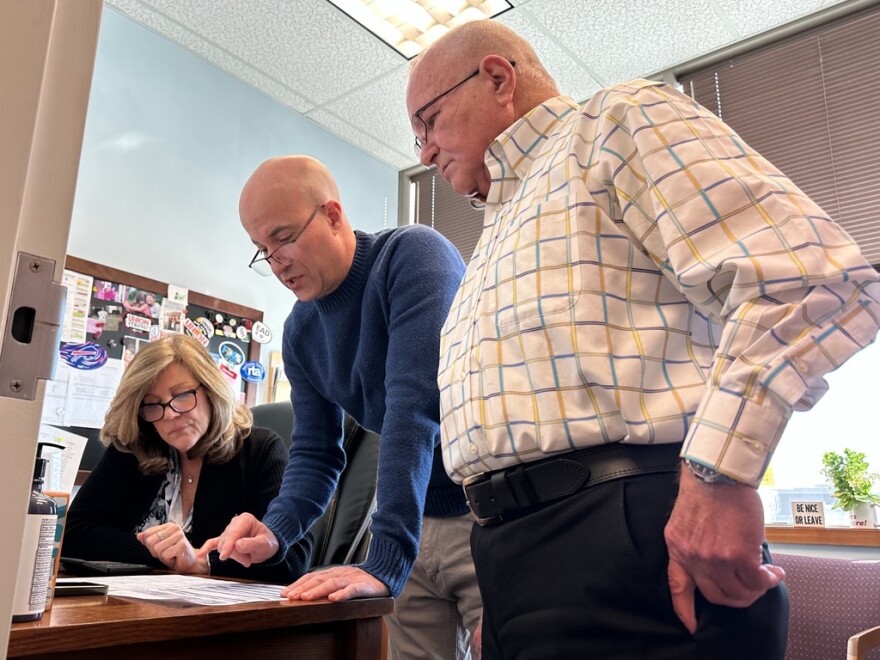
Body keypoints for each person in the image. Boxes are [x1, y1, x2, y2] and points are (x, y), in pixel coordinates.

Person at [406, 21, 880, 659]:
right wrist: (508, 582)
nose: (426, 150)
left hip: (629, 538)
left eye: (428, 121)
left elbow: (807, 280)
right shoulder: (498, 230)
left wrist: (718, 474)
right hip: (512, 559)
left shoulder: (616, 122)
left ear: (497, 79)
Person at [201, 156, 482, 659]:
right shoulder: (300, 333)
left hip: (489, 517)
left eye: (283, 237)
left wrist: (385, 558)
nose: (276, 260)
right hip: (415, 519)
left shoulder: (413, 256)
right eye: (262, 249)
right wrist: (274, 531)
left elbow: (413, 409)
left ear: (332, 215)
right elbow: (315, 453)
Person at [64, 334, 312, 583]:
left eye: (181, 395)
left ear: (210, 390)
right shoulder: (136, 448)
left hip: (223, 615)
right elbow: (74, 533)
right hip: (133, 606)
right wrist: (164, 555)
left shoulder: (261, 450)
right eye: (153, 405)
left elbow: (293, 558)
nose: (169, 414)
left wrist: (201, 562)